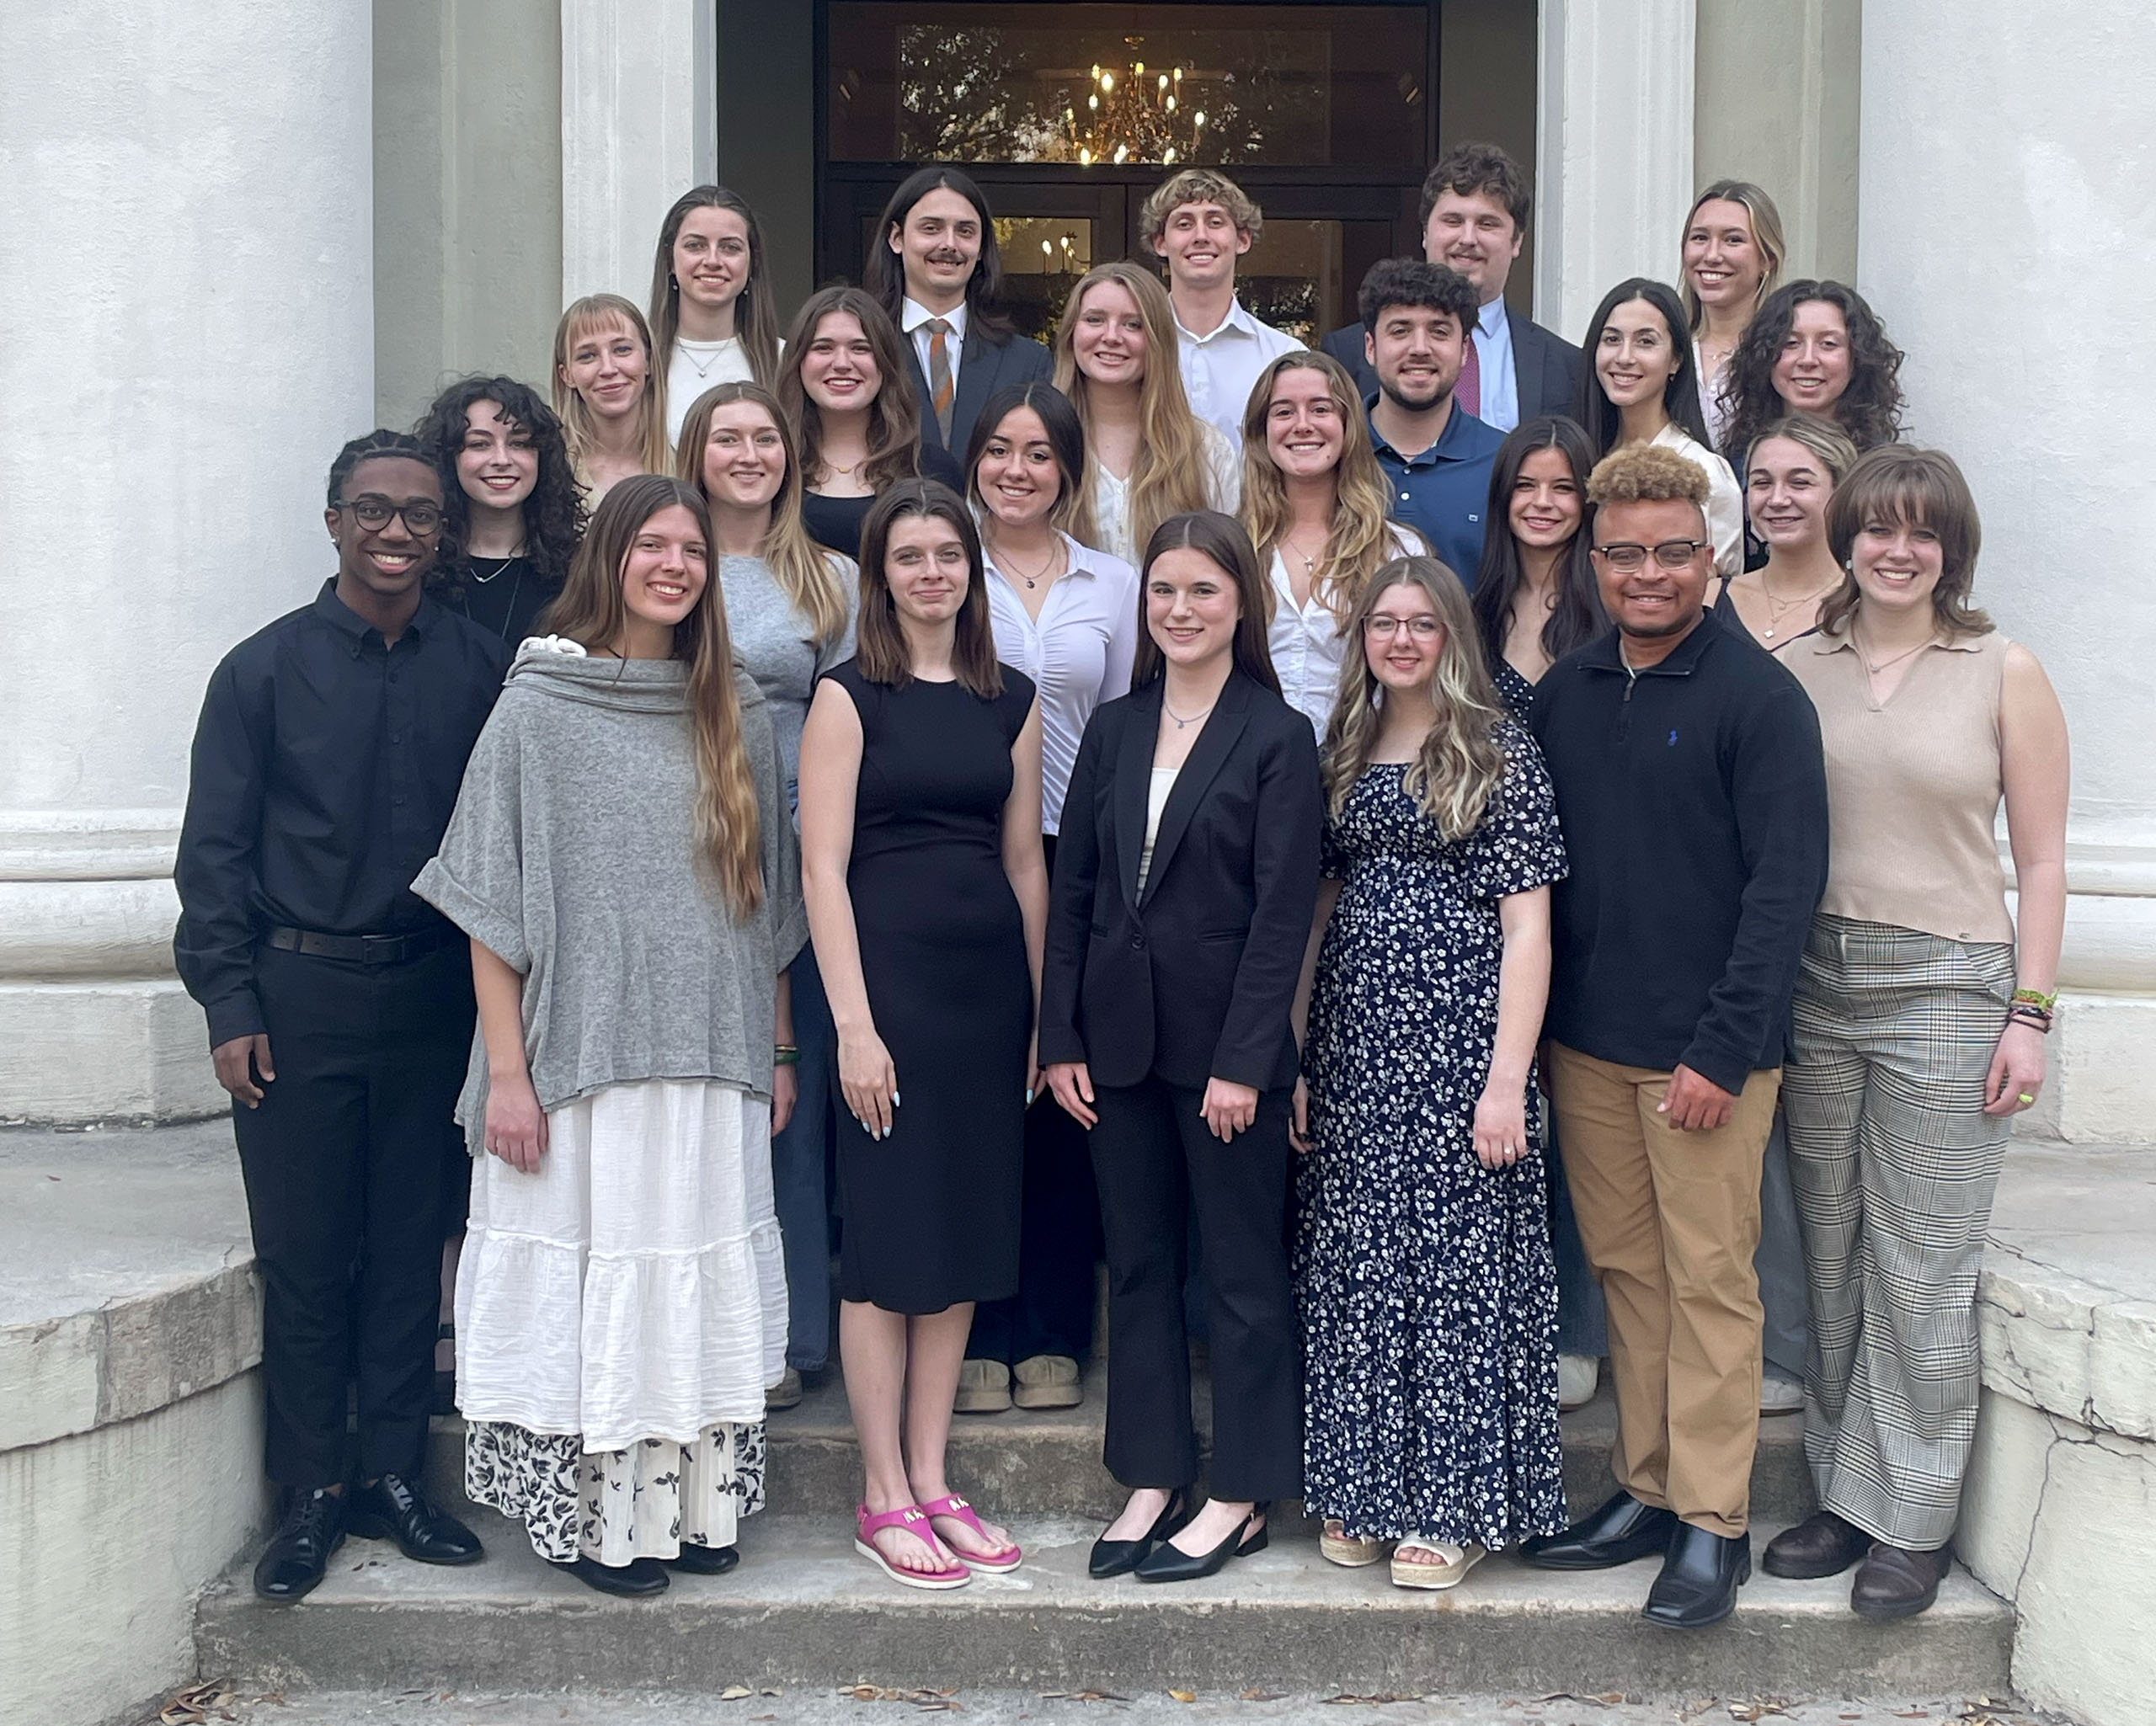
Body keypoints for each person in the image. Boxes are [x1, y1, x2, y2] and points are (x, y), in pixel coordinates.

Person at [414, 476, 800, 1597]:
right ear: (612, 558)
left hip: (711, 1054)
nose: (676, 564)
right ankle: (601, 1522)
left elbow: (767, 910)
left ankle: (697, 1503)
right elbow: (494, 904)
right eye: (654, 546)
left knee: (693, 1279)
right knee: (609, 1289)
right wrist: (510, 1077)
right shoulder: (540, 705)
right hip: (579, 1056)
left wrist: (776, 1048)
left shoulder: (731, 706)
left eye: (692, 549)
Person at [173, 429, 505, 1603]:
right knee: (309, 1255)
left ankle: (396, 1478)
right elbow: (211, 856)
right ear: (333, 522)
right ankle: (308, 1494)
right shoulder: (258, 673)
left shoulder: (477, 666)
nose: (398, 531)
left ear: (441, 533)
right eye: (374, 510)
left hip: (431, 994)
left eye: (420, 514)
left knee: (413, 1245)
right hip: (297, 996)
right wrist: (230, 1002)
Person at [1520, 445, 1828, 1631]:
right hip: (1590, 1049)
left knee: (1710, 1282)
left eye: (1673, 551)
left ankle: (1713, 1521)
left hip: (1707, 1055)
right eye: (1625, 553)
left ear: (1713, 554)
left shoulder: (1760, 700)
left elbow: (1782, 891)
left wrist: (1725, 1047)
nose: (1649, 574)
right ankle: (1649, 1489)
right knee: (1631, 1277)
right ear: (1593, 560)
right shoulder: (1569, 692)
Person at [1770, 446, 2068, 1621]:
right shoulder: (1799, 665)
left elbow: (2042, 860)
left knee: (1924, 1255)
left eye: (1923, 533)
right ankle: (1846, 1494)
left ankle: (1915, 1516)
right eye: (1879, 528)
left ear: (1953, 549)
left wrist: (2032, 1014)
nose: (1898, 550)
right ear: (1846, 538)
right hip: (1816, 981)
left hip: (1947, 984)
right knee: (1833, 1249)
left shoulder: (2003, 669)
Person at [1040, 511, 1321, 1586]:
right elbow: (1077, 892)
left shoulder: (1276, 734)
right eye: (1163, 592)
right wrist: (1058, 1030)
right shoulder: (1115, 727)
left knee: (1242, 1273)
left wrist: (1248, 1061)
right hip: (1112, 1043)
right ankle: (1151, 1473)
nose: (1181, 610)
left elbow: (1281, 914)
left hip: (1225, 1058)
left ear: (1239, 604)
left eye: (1203, 590)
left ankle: (1243, 1491)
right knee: (1143, 1264)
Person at [1292, 555, 1569, 1591]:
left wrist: (1507, 1080)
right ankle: (1366, 1485)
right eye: (1383, 623)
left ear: (1452, 634)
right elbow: (1317, 913)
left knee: (1457, 1270)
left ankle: (1450, 1505)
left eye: (1421, 623)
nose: (1401, 640)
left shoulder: (1499, 750)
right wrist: (1300, 1055)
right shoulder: (1346, 747)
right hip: (1358, 1045)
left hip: (1461, 1047)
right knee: (1362, 1265)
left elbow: (1530, 928)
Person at [798, 479, 1048, 1589]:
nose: (933, 572)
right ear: (881, 575)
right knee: (891, 1242)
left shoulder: (1013, 696)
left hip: (988, 998)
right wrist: (852, 1025)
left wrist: (1043, 1017)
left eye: (949, 554)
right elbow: (820, 866)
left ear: (970, 569)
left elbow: (1026, 862)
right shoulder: (849, 696)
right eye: (911, 556)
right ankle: (881, 1489)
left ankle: (936, 1476)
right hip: (887, 990)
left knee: (962, 1242)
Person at [957, 381, 1139, 1415]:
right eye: (998, 448)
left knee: (1068, 1079)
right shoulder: (940, 564)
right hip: (964, 845)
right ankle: (983, 1316)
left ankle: (1056, 1324)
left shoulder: (1114, 584)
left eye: (1038, 452)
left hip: (1083, 851)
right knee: (985, 1082)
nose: (1016, 469)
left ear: (1068, 469)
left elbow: (1123, 728)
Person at [678, 380, 860, 1409]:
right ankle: (707, 1325)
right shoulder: (668, 557)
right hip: (690, 846)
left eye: (764, 439)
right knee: (711, 1090)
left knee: (796, 1097)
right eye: (725, 438)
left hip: (799, 852)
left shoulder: (828, 576)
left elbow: (850, 714)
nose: (747, 454)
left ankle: (792, 1337)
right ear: (695, 453)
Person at [1466, 414, 1609, 1411]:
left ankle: (1582, 1323)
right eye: (1528, 486)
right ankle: (1520, 1314)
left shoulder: (1614, 608)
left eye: (1564, 487)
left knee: (1586, 1102)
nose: (1545, 503)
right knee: (1512, 1096)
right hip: (1494, 894)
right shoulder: (1471, 614)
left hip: (1602, 880)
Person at [1321, 143, 1581, 431]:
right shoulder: (1346, 354)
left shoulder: (1567, 366)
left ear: (1517, 241)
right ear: (1425, 233)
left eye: (1487, 224)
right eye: (1453, 221)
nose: (1468, 238)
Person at [1238, 349, 1423, 735]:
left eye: (1320, 409)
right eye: (1284, 412)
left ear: (1347, 424)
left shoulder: (1397, 552)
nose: (1302, 425)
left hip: (1360, 765)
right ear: (1262, 431)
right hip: (1248, 774)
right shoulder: (1232, 548)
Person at [1052, 261, 1241, 567]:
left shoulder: (1206, 450)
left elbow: (1230, 570)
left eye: (1133, 324)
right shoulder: (1040, 445)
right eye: (1095, 319)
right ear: (1071, 333)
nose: (1112, 336)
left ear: (1158, 339)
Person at [865, 165, 1053, 463]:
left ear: (980, 249)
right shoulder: (863, 351)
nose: (949, 244)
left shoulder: (1028, 363)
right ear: (896, 238)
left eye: (965, 231)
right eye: (931, 228)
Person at [777, 285, 964, 562]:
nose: (842, 363)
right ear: (799, 362)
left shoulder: (932, 470)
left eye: (860, 348)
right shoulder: (772, 467)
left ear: (885, 363)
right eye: (823, 347)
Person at [1575, 279, 1742, 577]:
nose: (1625, 357)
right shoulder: (1578, 459)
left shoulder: (1705, 471)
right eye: (1612, 339)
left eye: (1646, 342)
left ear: (1676, 359)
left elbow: (1719, 594)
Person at [1354, 258, 1506, 585]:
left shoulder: (1506, 461)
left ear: (1464, 349)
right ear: (1371, 347)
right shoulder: (1334, 454)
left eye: (1439, 332)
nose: (1420, 349)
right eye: (1400, 331)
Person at [415, 376, 587, 647]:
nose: (502, 460)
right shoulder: (419, 566)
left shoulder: (579, 570)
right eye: (479, 444)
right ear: (448, 459)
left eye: (519, 443)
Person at [1140, 167, 1303, 449]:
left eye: (1215, 222)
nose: (1201, 236)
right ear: (1160, 243)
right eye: (1184, 224)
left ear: (1243, 240)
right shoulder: (1133, 348)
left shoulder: (1283, 357)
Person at [648, 184, 785, 446]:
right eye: (695, 246)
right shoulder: (638, 363)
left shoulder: (783, 361)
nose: (712, 260)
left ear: (752, 262)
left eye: (730, 248)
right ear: (669, 259)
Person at [1721, 280, 1905, 467]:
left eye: (1828, 344)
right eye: (1791, 343)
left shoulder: (1883, 472)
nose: (1807, 360)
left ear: (1859, 357)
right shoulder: (1735, 467)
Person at [1719, 415, 1860, 649]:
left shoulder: (1864, 608)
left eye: (1800, 483)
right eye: (1762, 483)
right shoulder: (1709, 600)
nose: (1777, 500)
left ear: (1841, 492)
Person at [1680, 181, 1785, 450]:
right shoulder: (1668, 352)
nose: (1712, 255)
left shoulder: (1785, 356)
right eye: (1700, 238)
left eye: (1733, 240)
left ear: (1767, 259)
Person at [552, 293, 670, 504]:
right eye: (587, 356)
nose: (608, 369)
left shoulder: (689, 468)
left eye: (622, 349)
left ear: (648, 361)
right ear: (567, 375)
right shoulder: (549, 472)